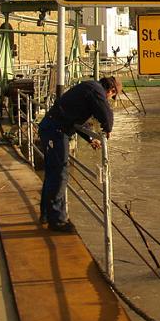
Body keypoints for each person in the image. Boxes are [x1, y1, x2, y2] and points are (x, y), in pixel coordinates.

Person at [39, 77, 121, 232]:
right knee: (60, 174)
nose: (110, 98)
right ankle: (57, 221)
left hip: (53, 128)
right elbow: (106, 114)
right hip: (55, 131)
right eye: (112, 96)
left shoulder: (89, 88)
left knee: (53, 174)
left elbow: (75, 118)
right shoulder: (96, 90)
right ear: (111, 90)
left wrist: (90, 138)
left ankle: (47, 215)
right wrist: (108, 128)